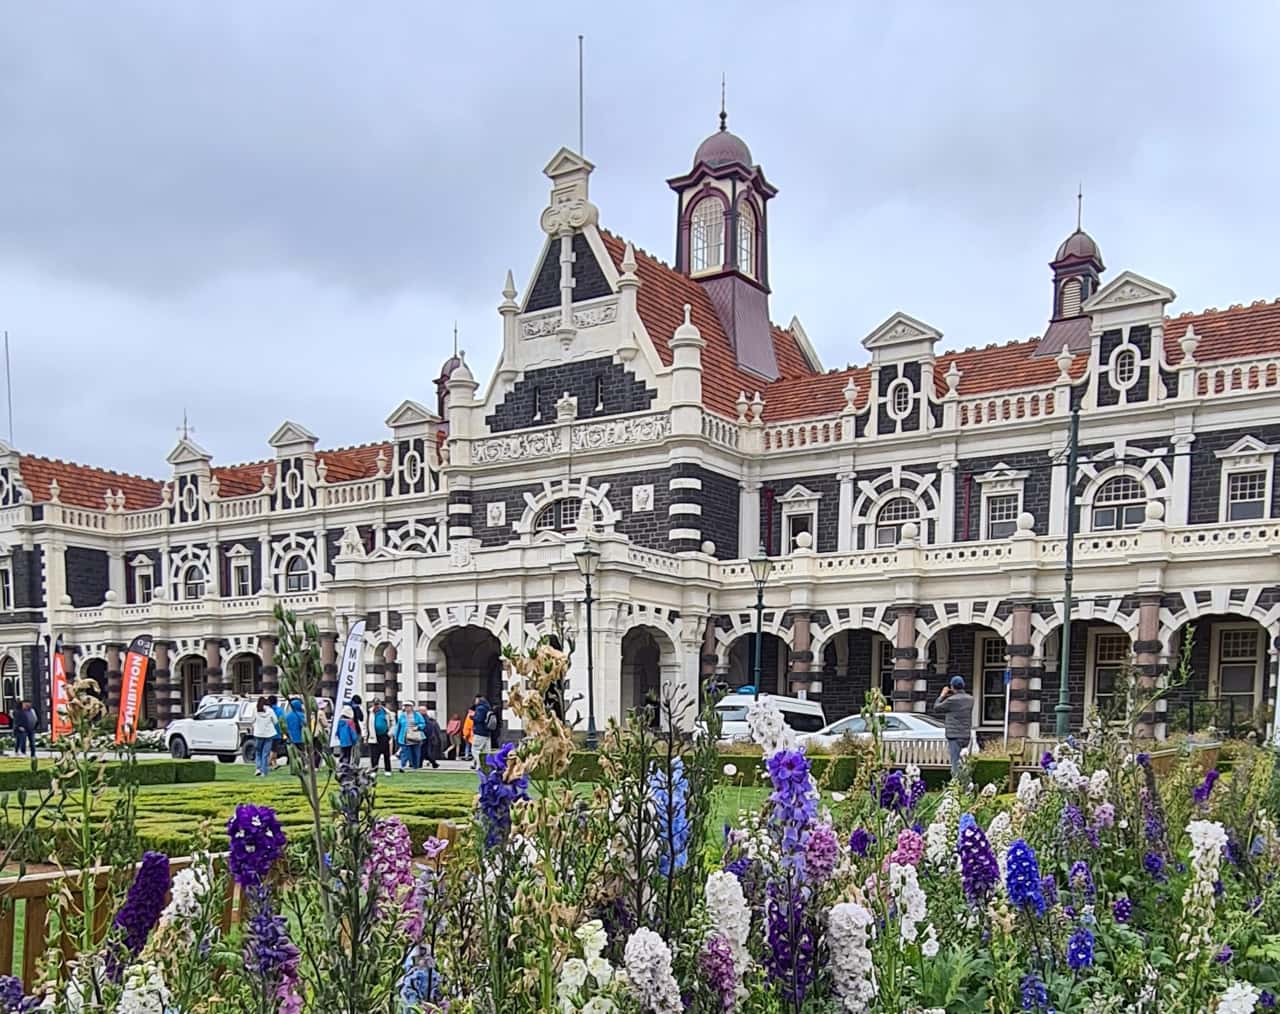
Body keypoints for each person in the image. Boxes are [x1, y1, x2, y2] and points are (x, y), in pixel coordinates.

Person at [934, 676, 975, 779]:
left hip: (954, 736)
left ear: (952, 687)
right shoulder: (970, 699)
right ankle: (966, 785)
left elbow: (937, 708)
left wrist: (942, 695)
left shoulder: (951, 700)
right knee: (965, 762)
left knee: (955, 763)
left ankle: (956, 787)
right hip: (966, 735)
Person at [394, 701, 426, 771]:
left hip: (415, 736)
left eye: (408, 706)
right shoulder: (402, 716)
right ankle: (403, 766)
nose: (406, 708)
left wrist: (418, 727)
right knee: (405, 752)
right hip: (404, 736)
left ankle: (415, 766)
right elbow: (398, 726)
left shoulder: (417, 715)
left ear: (412, 707)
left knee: (415, 752)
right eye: (405, 706)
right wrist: (396, 735)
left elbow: (423, 724)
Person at [251, 697, 278, 777]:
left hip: (258, 734)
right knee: (265, 753)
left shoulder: (255, 710)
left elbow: (252, 720)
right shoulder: (270, 710)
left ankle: (258, 769)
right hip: (269, 734)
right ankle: (264, 771)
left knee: (258, 752)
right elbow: (275, 721)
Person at [368, 698, 393, 774]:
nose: (376, 706)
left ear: (380, 704)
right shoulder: (369, 712)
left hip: (384, 735)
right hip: (373, 736)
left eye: (378, 704)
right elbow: (365, 724)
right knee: (374, 754)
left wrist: (390, 733)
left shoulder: (386, 712)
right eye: (375, 704)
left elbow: (393, 723)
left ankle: (387, 770)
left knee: (386, 754)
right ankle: (374, 770)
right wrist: (365, 735)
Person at [471, 695, 494, 770]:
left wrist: (472, 717)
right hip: (487, 732)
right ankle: (488, 766)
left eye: (476, 700)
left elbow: (478, 719)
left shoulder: (480, 708)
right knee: (485, 751)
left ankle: (480, 764)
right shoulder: (488, 708)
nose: (475, 701)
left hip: (479, 732)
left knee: (475, 749)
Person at [419, 705, 442, 770]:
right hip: (426, 737)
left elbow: (427, 729)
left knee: (423, 752)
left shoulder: (426, 719)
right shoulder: (425, 718)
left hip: (426, 738)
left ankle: (421, 764)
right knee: (424, 752)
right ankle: (433, 763)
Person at [268, 695, 286, 766]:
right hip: (277, 732)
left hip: (268, 732)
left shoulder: (267, 710)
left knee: (271, 749)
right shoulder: (280, 710)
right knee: (274, 749)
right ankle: (269, 763)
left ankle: (274, 763)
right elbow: (283, 721)